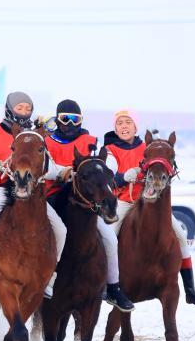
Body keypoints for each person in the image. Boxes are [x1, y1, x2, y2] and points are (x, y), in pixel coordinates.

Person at [0, 92, 68, 298]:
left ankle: (50, 275)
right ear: (10, 108)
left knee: (60, 229)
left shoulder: (35, 135)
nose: (24, 112)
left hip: (32, 192)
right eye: (20, 108)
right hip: (2, 186)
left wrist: (62, 171)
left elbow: (46, 165)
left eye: (28, 109)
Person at [103, 110, 195, 307]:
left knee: (181, 235)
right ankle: (109, 287)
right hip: (123, 202)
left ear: (135, 127)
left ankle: (190, 289)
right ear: (115, 128)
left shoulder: (148, 146)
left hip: (149, 202)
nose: (124, 126)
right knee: (109, 236)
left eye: (128, 122)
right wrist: (126, 176)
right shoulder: (110, 149)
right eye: (120, 123)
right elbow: (110, 177)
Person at [39, 99, 132, 310]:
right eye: (65, 119)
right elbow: (43, 167)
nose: (70, 124)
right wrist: (61, 171)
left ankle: (113, 288)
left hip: (84, 200)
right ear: (57, 119)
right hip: (51, 196)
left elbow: (101, 166)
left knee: (109, 237)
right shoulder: (46, 141)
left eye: (75, 119)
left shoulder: (91, 140)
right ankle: (41, 278)